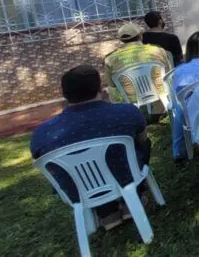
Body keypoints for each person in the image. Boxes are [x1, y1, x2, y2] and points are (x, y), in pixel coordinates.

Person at [31, 65, 151, 229]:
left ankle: (107, 213)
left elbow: (47, 165)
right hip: (127, 176)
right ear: (100, 88)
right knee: (141, 145)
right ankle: (134, 197)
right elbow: (142, 140)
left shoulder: (42, 134)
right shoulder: (126, 112)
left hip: (78, 190)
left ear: (64, 94)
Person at [103, 23, 172, 114]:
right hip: (160, 97)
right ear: (140, 36)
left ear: (121, 40)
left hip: (131, 102)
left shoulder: (110, 59)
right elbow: (168, 73)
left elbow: (111, 84)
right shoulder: (157, 50)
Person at [169, 31, 199, 160]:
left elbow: (179, 95)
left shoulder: (180, 70)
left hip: (191, 116)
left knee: (178, 107)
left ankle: (178, 149)